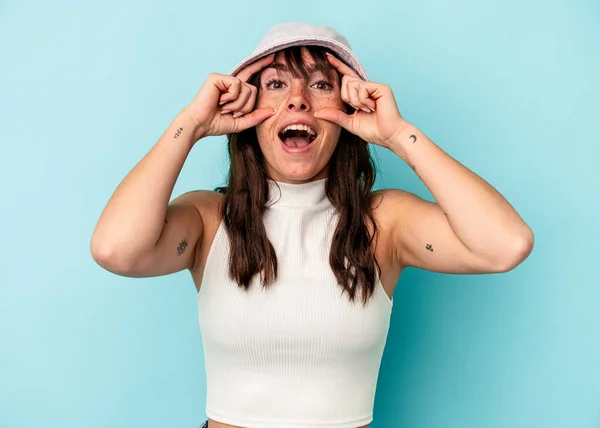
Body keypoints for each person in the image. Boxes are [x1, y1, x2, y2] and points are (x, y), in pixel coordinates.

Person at [90, 22, 534, 428]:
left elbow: (505, 244)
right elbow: (116, 248)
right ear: (247, 107)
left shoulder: (384, 223)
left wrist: (399, 135)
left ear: (347, 109)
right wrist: (190, 124)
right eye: (277, 84)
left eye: (321, 84)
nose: (297, 99)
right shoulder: (209, 219)